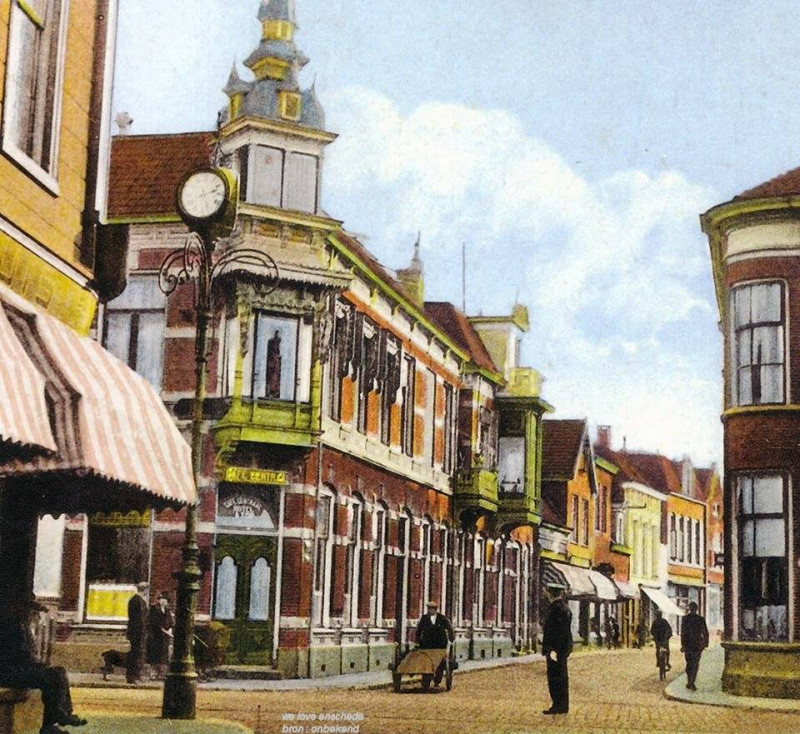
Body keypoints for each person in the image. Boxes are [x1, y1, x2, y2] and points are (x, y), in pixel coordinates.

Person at [0, 599, 87, 734]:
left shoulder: (15, 625)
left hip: (15, 669)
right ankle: (51, 723)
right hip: (8, 673)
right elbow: (16, 657)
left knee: (59, 671)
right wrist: (35, 665)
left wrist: (36, 664)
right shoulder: (9, 626)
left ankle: (64, 713)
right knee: (50, 677)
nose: (33, 617)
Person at [541, 583, 573, 715]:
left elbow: (559, 632)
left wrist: (553, 649)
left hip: (556, 649)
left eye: (547, 592)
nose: (546, 594)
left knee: (556, 677)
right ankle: (561, 705)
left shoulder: (557, 608)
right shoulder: (563, 607)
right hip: (561, 648)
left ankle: (558, 705)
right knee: (560, 677)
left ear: (551, 593)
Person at [415, 601, 454, 686]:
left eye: (432, 609)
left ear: (436, 609)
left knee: (439, 663)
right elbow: (419, 630)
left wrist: (451, 639)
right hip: (427, 644)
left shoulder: (442, 618)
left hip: (440, 645)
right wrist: (417, 641)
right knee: (426, 662)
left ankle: (437, 680)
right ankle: (426, 681)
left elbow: (449, 628)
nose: (430, 610)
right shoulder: (424, 618)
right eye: (429, 609)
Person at [680, 601, 709, 691]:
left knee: (689, 663)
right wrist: (705, 643)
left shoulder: (685, 619)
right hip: (697, 644)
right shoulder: (700, 619)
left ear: (690, 609)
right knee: (695, 663)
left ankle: (690, 681)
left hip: (689, 644)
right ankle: (691, 681)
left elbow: (683, 633)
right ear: (696, 609)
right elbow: (705, 633)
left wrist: (683, 645)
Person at [146, 592, 174, 679]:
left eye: (165, 600)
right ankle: (153, 673)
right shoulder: (154, 609)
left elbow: (170, 621)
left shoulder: (167, 610)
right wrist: (163, 629)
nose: (163, 601)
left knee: (163, 655)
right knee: (154, 655)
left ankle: (162, 673)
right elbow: (153, 622)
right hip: (155, 636)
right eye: (162, 599)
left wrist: (170, 629)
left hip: (164, 637)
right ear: (159, 600)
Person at [126, 582, 149, 684]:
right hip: (137, 633)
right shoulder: (136, 601)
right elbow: (138, 619)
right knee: (135, 654)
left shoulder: (138, 601)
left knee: (138, 654)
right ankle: (132, 676)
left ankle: (136, 675)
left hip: (139, 633)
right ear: (145, 590)